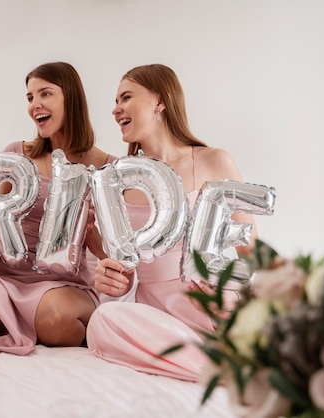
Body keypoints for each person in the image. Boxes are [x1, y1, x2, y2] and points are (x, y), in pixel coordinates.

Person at [85, 64, 257, 381]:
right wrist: (113, 280)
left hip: (215, 307)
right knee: (103, 319)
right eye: (116, 101)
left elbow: (251, 251)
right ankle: (223, 371)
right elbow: (125, 269)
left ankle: (227, 356)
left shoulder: (215, 161)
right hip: (158, 320)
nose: (115, 109)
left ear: (159, 101)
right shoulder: (119, 182)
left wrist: (228, 297)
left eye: (126, 97)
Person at [0, 62, 118, 356]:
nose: (35, 105)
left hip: (64, 284)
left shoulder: (106, 167)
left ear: (70, 98)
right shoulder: (16, 155)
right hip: (7, 278)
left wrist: (88, 232)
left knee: (56, 319)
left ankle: (42, 326)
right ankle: (14, 321)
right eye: (29, 97)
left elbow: (112, 255)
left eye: (45, 94)